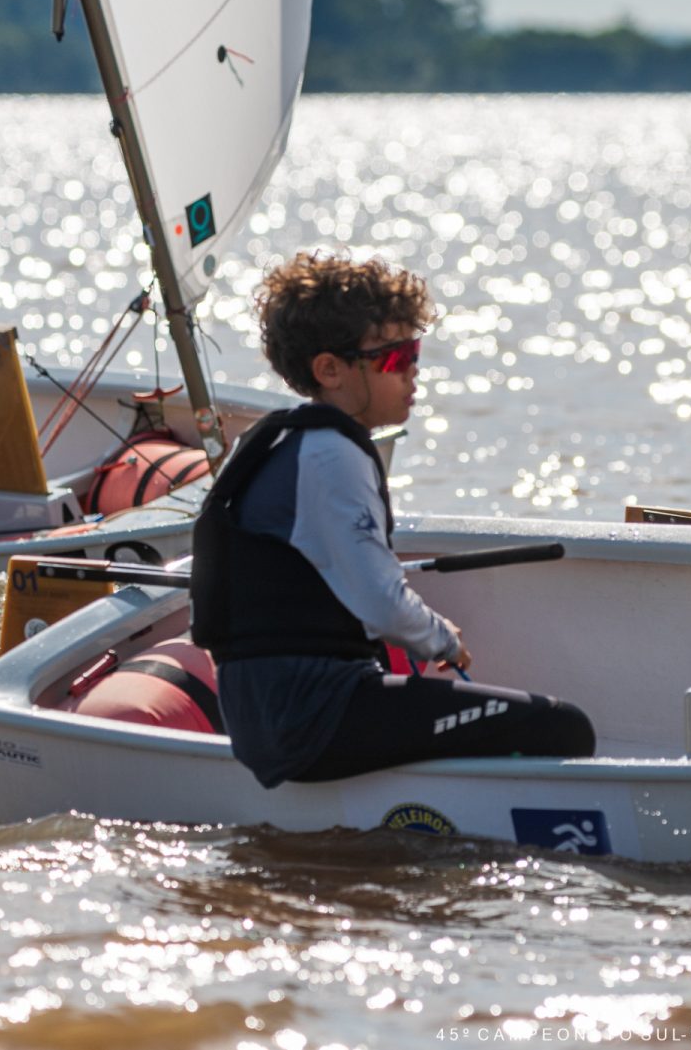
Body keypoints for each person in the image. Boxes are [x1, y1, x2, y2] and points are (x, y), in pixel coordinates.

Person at [191, 252, 593, 787]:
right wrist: (441, 638)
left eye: (415, 353)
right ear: (329, 370)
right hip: (313, 714)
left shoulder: (275, 440)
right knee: (564, 728)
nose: (412, 371)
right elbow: (381, 603)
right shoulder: (331, 456)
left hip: (270, 714)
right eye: (395, 357)